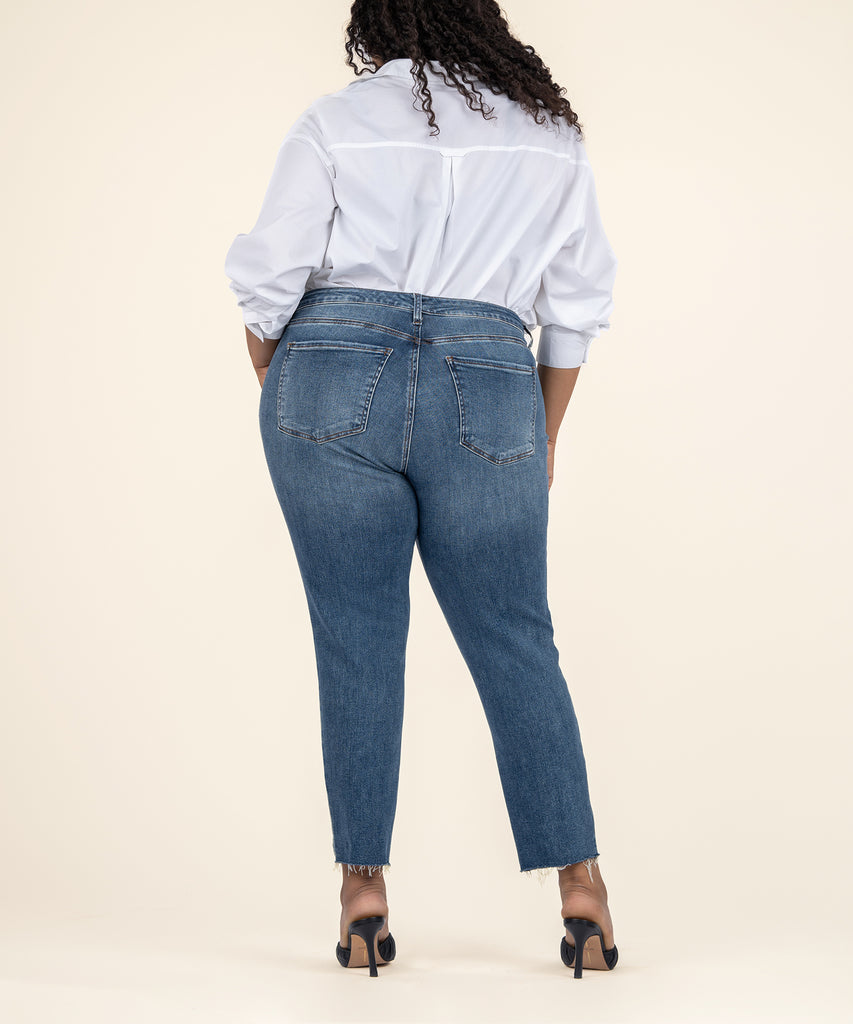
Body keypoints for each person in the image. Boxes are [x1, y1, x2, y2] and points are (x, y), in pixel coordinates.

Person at [224, 0, 619, 979]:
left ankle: (362, 895)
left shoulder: (334, 120)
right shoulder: (549, 136)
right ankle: (583, 891)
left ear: (380, 21)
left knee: (354, 636)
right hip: (489, 380)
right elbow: (573, 309)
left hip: (328, 370)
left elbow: (268, 283)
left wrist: (286, 385)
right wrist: (543, 433)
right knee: (516, 636)